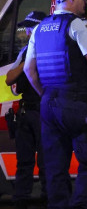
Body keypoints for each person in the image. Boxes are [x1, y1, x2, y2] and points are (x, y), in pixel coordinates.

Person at [23, 0, 87, 209]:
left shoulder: (39, 28)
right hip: (75, 102)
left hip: (48, 104)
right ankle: (81, 204)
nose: (85, 2)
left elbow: (29, 70)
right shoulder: (76, 24)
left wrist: (45, 94)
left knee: (56, 167)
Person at [6, 11, 47, 209]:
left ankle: (50, 198)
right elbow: (9, 78)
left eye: (32, 27)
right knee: (24, 161)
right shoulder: (24, 52)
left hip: (44, 111)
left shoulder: (50, 48)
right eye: (27, 27)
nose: (28, 31)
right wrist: (26, 61)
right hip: (26, 112)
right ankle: (20, 199)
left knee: (47, 160)